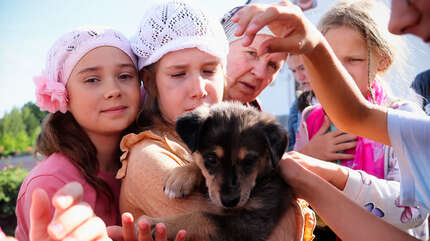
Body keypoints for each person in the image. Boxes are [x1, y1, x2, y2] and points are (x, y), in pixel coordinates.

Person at [117, 1, 315, 241]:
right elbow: (240, 229)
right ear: (148, 81)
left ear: (224, 74)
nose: (199, 89)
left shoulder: (231, 131)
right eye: (178, 73)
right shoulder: (148, 158)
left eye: (209, 71)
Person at [232, 0, 430, 240]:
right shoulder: (311, 119)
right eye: (330, 60)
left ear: (383, 60)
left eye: (353, 60)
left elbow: (411, 211)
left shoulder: (405, 118)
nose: (341, 70)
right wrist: (308, 155)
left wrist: (332, 174)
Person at [14, 26, 141, 241]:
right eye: (92, 80)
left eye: (125, 75)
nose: (113, 90)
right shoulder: (52, 182)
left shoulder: (142, 161)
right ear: (63, 95)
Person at [286, 53, 317, 151]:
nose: (299, 77)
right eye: (294, 71)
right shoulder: (297, 107)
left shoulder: (338, 102)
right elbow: (291, 149)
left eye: (303, 68)